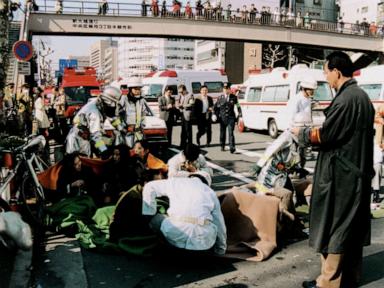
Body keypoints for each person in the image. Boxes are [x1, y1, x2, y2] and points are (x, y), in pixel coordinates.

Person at [292, 51, 375, 288]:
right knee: (351, 226)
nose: (326, 78)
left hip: (341, 175)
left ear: (336, 72)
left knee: (334, 226)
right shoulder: (361, 97)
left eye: (326, 72)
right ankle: (350, 277)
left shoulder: (346, 99)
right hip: (357, 171)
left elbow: (327, 135)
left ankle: (328, 282)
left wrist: (303, 134)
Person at [142, 170, 227, 255]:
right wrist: (221, 249)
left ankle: (163, 247)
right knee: (210, 226)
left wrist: (149, 213)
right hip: (202, 241)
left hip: (174, 234)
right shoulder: (210, 192)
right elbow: (219, 223)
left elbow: (149, 186)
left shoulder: (175, 182)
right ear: (207, 183)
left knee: (156, 219)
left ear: (191, 176)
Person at [67, 86, 123, 158]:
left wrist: (122, 128)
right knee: (81, 164)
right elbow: (96, 137)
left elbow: (112, 119)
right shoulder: (94, 113)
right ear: (109, 102)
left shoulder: (99, 104)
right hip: (79, 141)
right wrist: (103, 150)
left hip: (83, 138)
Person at [286, 76, 318, 168]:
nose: (313, 92)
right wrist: (291, 129)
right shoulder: (296, 99)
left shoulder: (308, 99)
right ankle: (294, 173)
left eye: (313, 89)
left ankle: (301, 172)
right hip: (296, 130)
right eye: (311, 89)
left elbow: (306, 114)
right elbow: (291, 116)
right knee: (295, 155)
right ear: (304, 88)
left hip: (305, 130)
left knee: (304, 155)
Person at [214, 82, 242, 153]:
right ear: (223, 90)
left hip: (231, 118)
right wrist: (214, 114)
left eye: (227, 89)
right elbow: (216, 107)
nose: (226, 90)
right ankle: (222, 145)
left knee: (231, 133)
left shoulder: (234, 97)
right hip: (222, 118)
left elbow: (238, 106)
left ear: (230, 89)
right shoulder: (220, 98)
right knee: (222, 133)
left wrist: (240, 114)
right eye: (224, 89)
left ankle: (232, 148)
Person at [119, 78, 147, 148]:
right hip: (127, 133)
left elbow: (143, 114)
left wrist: (142, 126)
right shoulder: (124, 99)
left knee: (139, 153)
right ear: (130, 89)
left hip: (138, 133)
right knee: (128, 152)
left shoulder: (141, 100)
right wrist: (124, 127)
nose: (138, 91)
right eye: (136, 89)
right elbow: (118, 115)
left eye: (139, 89)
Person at [177, 84, 194, 150]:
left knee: (188, 131)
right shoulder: (180, 96)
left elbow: (191, 104)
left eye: (181, 92)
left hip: (187, 114)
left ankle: (190, 145)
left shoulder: (190, 95)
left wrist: (183, 105)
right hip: (182, 114)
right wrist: (178, 105)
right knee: (183, 130)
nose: (180, 93)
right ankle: (182, 145)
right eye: (179, 92)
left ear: (185, 90)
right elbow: (178, 102)